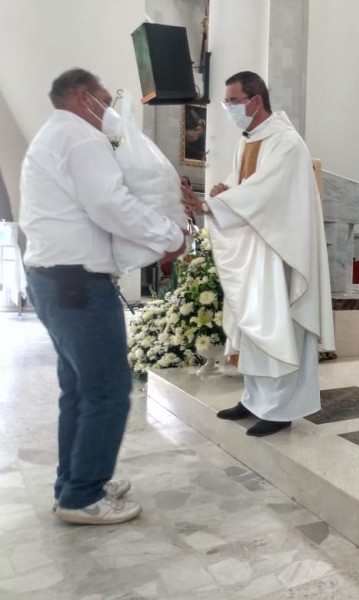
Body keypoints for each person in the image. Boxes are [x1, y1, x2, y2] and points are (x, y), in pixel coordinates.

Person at [20, 68, 187, 524]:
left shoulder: (54, 135)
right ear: (80, 96)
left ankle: (75, 480)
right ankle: (82, 497)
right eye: (101, 98)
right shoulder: (80, 137)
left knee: (78, 390)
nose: (108, 109)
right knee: (109, 390)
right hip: (77, 283)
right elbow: (110, 204)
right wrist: (169, 235)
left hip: (56, 279)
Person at [181, 71, 334, 437]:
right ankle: (253, 399)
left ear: (255, 100)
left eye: (233, 101)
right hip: (255, 249)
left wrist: (212, 204)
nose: (229, 108)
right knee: (253, 326)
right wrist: (222, 193)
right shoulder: (247, 140)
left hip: (279, 252)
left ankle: (281, 409)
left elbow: (266, 193)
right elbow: (242, 186)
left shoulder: (287, 143)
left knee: (276, 327)